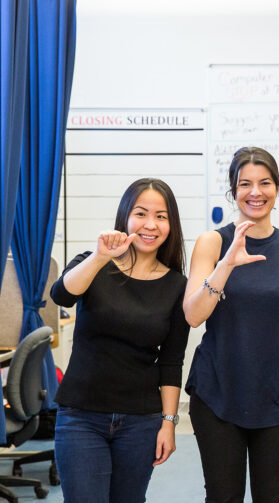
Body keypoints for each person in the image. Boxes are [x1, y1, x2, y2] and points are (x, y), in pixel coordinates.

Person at [183, 147, 279, 503]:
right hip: (218, 391)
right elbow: (193, 315)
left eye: (265, 183)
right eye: (245, 184)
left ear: (277, 187)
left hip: (276, 393)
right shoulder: (213, 242)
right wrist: (226, 264)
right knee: (223, 496)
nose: (255, 192)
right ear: (233, 190)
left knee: (273, 497)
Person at [50, 178, 190, 503]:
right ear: (126, 217)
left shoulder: (177, 285)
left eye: (161, 216)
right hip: (81, 416)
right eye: (141, 213)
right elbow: (61, 295)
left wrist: (169, 423)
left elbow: (171, 361)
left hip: (141, 422)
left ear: (172, 225)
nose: (150, 225)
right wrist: (100, 257)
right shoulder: (94, 262)